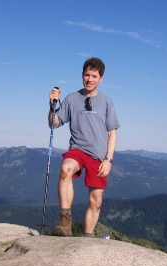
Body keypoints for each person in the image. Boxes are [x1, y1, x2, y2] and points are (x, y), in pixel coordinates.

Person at [47, 57, 120, 237]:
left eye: (94, 76)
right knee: (66, 168)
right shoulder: (72, 99)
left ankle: (86, 239)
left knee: (96, 201)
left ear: (100, 78)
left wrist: (108, 160)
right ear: (82, 76)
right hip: (78, 149)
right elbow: (54, 123)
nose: (90, 79)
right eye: (87, 75)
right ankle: (65, 221)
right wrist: (52, 105)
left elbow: (112, 133)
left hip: (99, 155)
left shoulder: (107, 102)